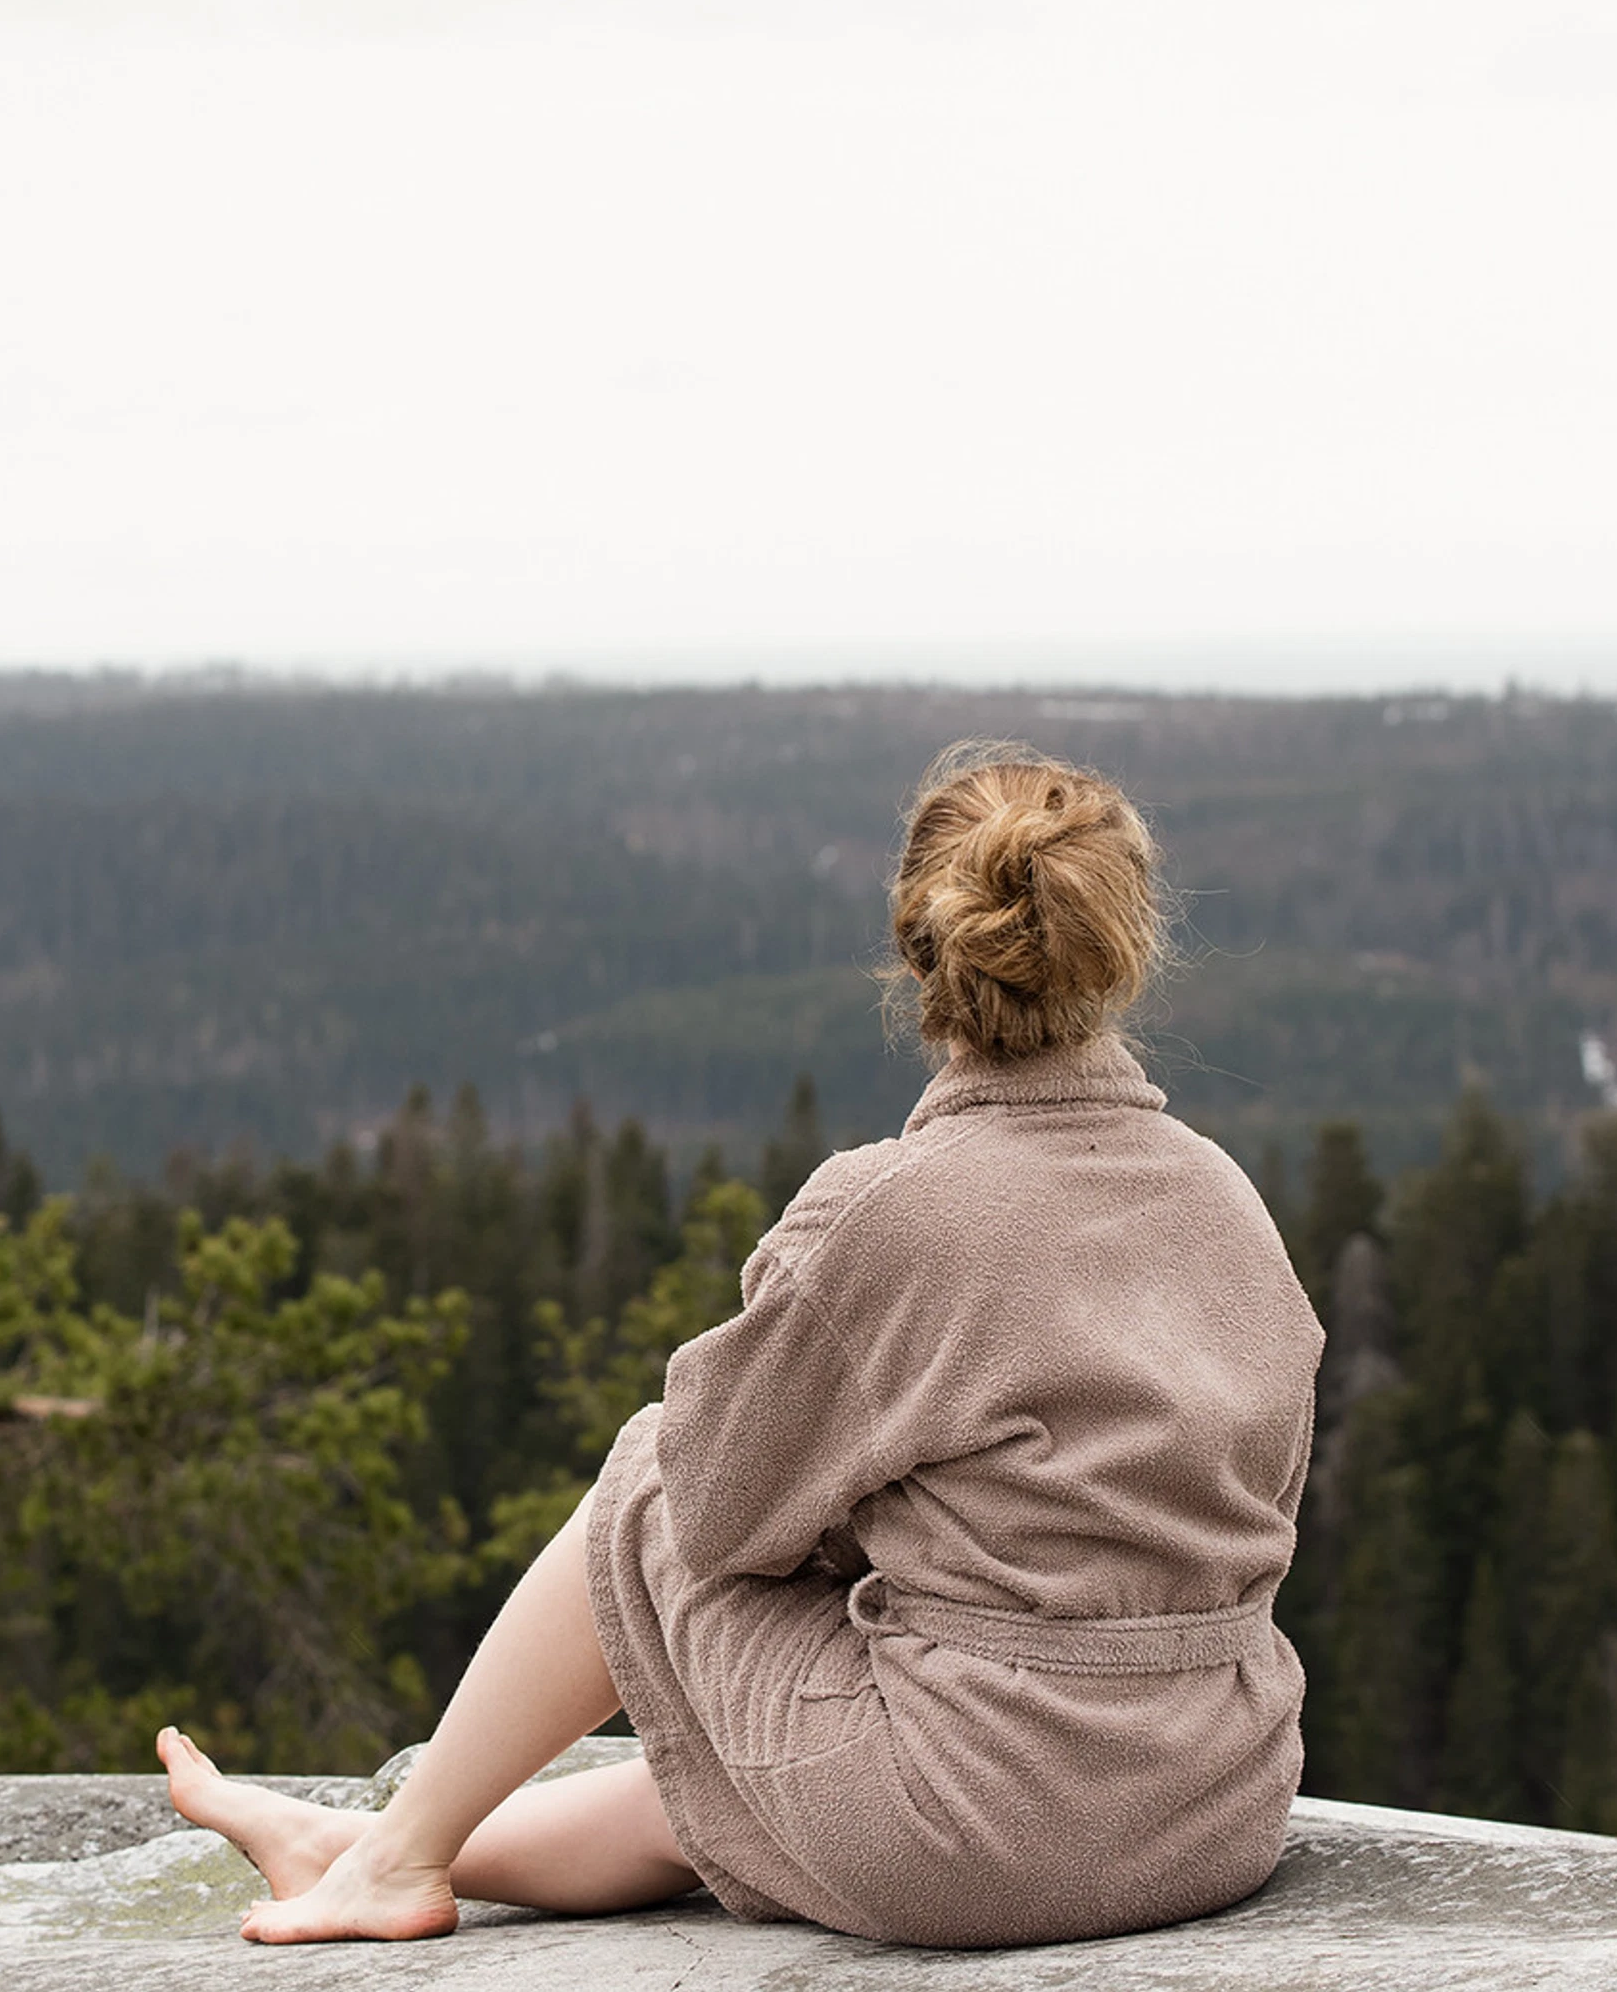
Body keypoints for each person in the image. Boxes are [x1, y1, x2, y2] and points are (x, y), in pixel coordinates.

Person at [159, 742, 1323, 1948]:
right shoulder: (1224, 1197)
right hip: (1214, 1807)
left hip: (983, 1838)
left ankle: (397, 1854)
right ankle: (342, 1847)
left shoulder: (888, 1213)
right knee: (737, 1794)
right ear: (1123, 946)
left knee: (656, 1472)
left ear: (922, 951)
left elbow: (715, 1513)